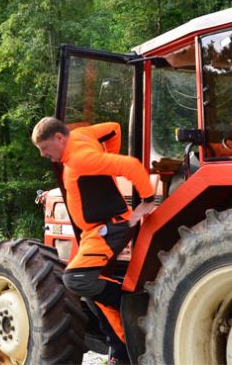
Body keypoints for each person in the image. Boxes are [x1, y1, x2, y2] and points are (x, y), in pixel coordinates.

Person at [31, 117, 156, 365]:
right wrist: (105, 163)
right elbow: (113, 129)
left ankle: (131, 303)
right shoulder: (83, 136)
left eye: (45, 149)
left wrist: (148, 199)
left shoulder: (80, 159)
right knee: (93, 292)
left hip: (110, 227)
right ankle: (121, 350)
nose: (44, 155)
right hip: (94, 231)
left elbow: (130, 166)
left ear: (59, 138)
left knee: (76, 278)